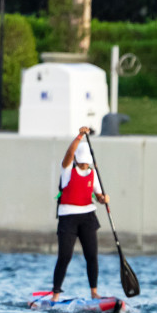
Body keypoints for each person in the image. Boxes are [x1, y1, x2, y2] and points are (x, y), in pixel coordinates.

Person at [51, 127, 109, 302]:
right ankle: (55, 295)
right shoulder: (67, 170)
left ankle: (94, 292)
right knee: (65, 256)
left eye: (86, 163)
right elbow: (69, 153)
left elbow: (98, 195)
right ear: (76, 159)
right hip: (68, 217)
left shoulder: (93, 173)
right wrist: (79, 136)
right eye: (81, 162)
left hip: (88, 217)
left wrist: (102, 198)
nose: (84, 165)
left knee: (92, 255)